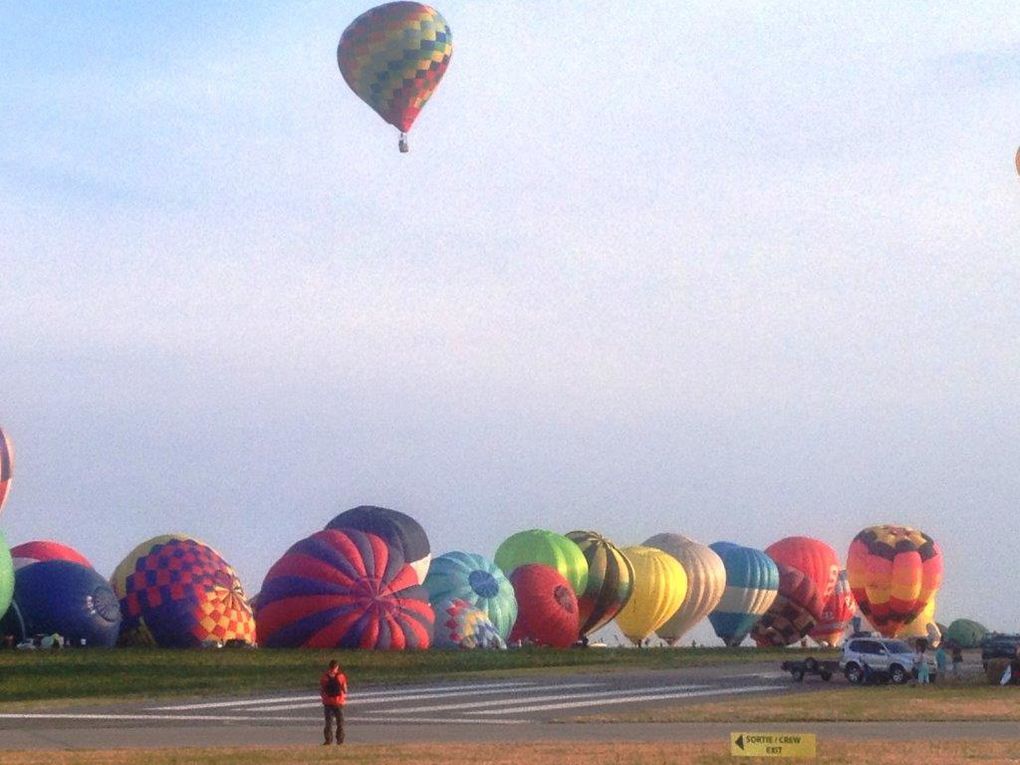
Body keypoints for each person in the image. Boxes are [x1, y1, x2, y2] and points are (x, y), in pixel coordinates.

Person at [320, 659, 348, 745]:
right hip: (339, 702)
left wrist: (324, 698)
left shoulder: (324, 677)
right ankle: (340, 740)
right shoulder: (341, 676)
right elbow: (345, 689)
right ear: (337, 667)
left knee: (328, 723)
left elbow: (322, 690)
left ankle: (328, 740)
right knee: (340, 723)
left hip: (328, 703)